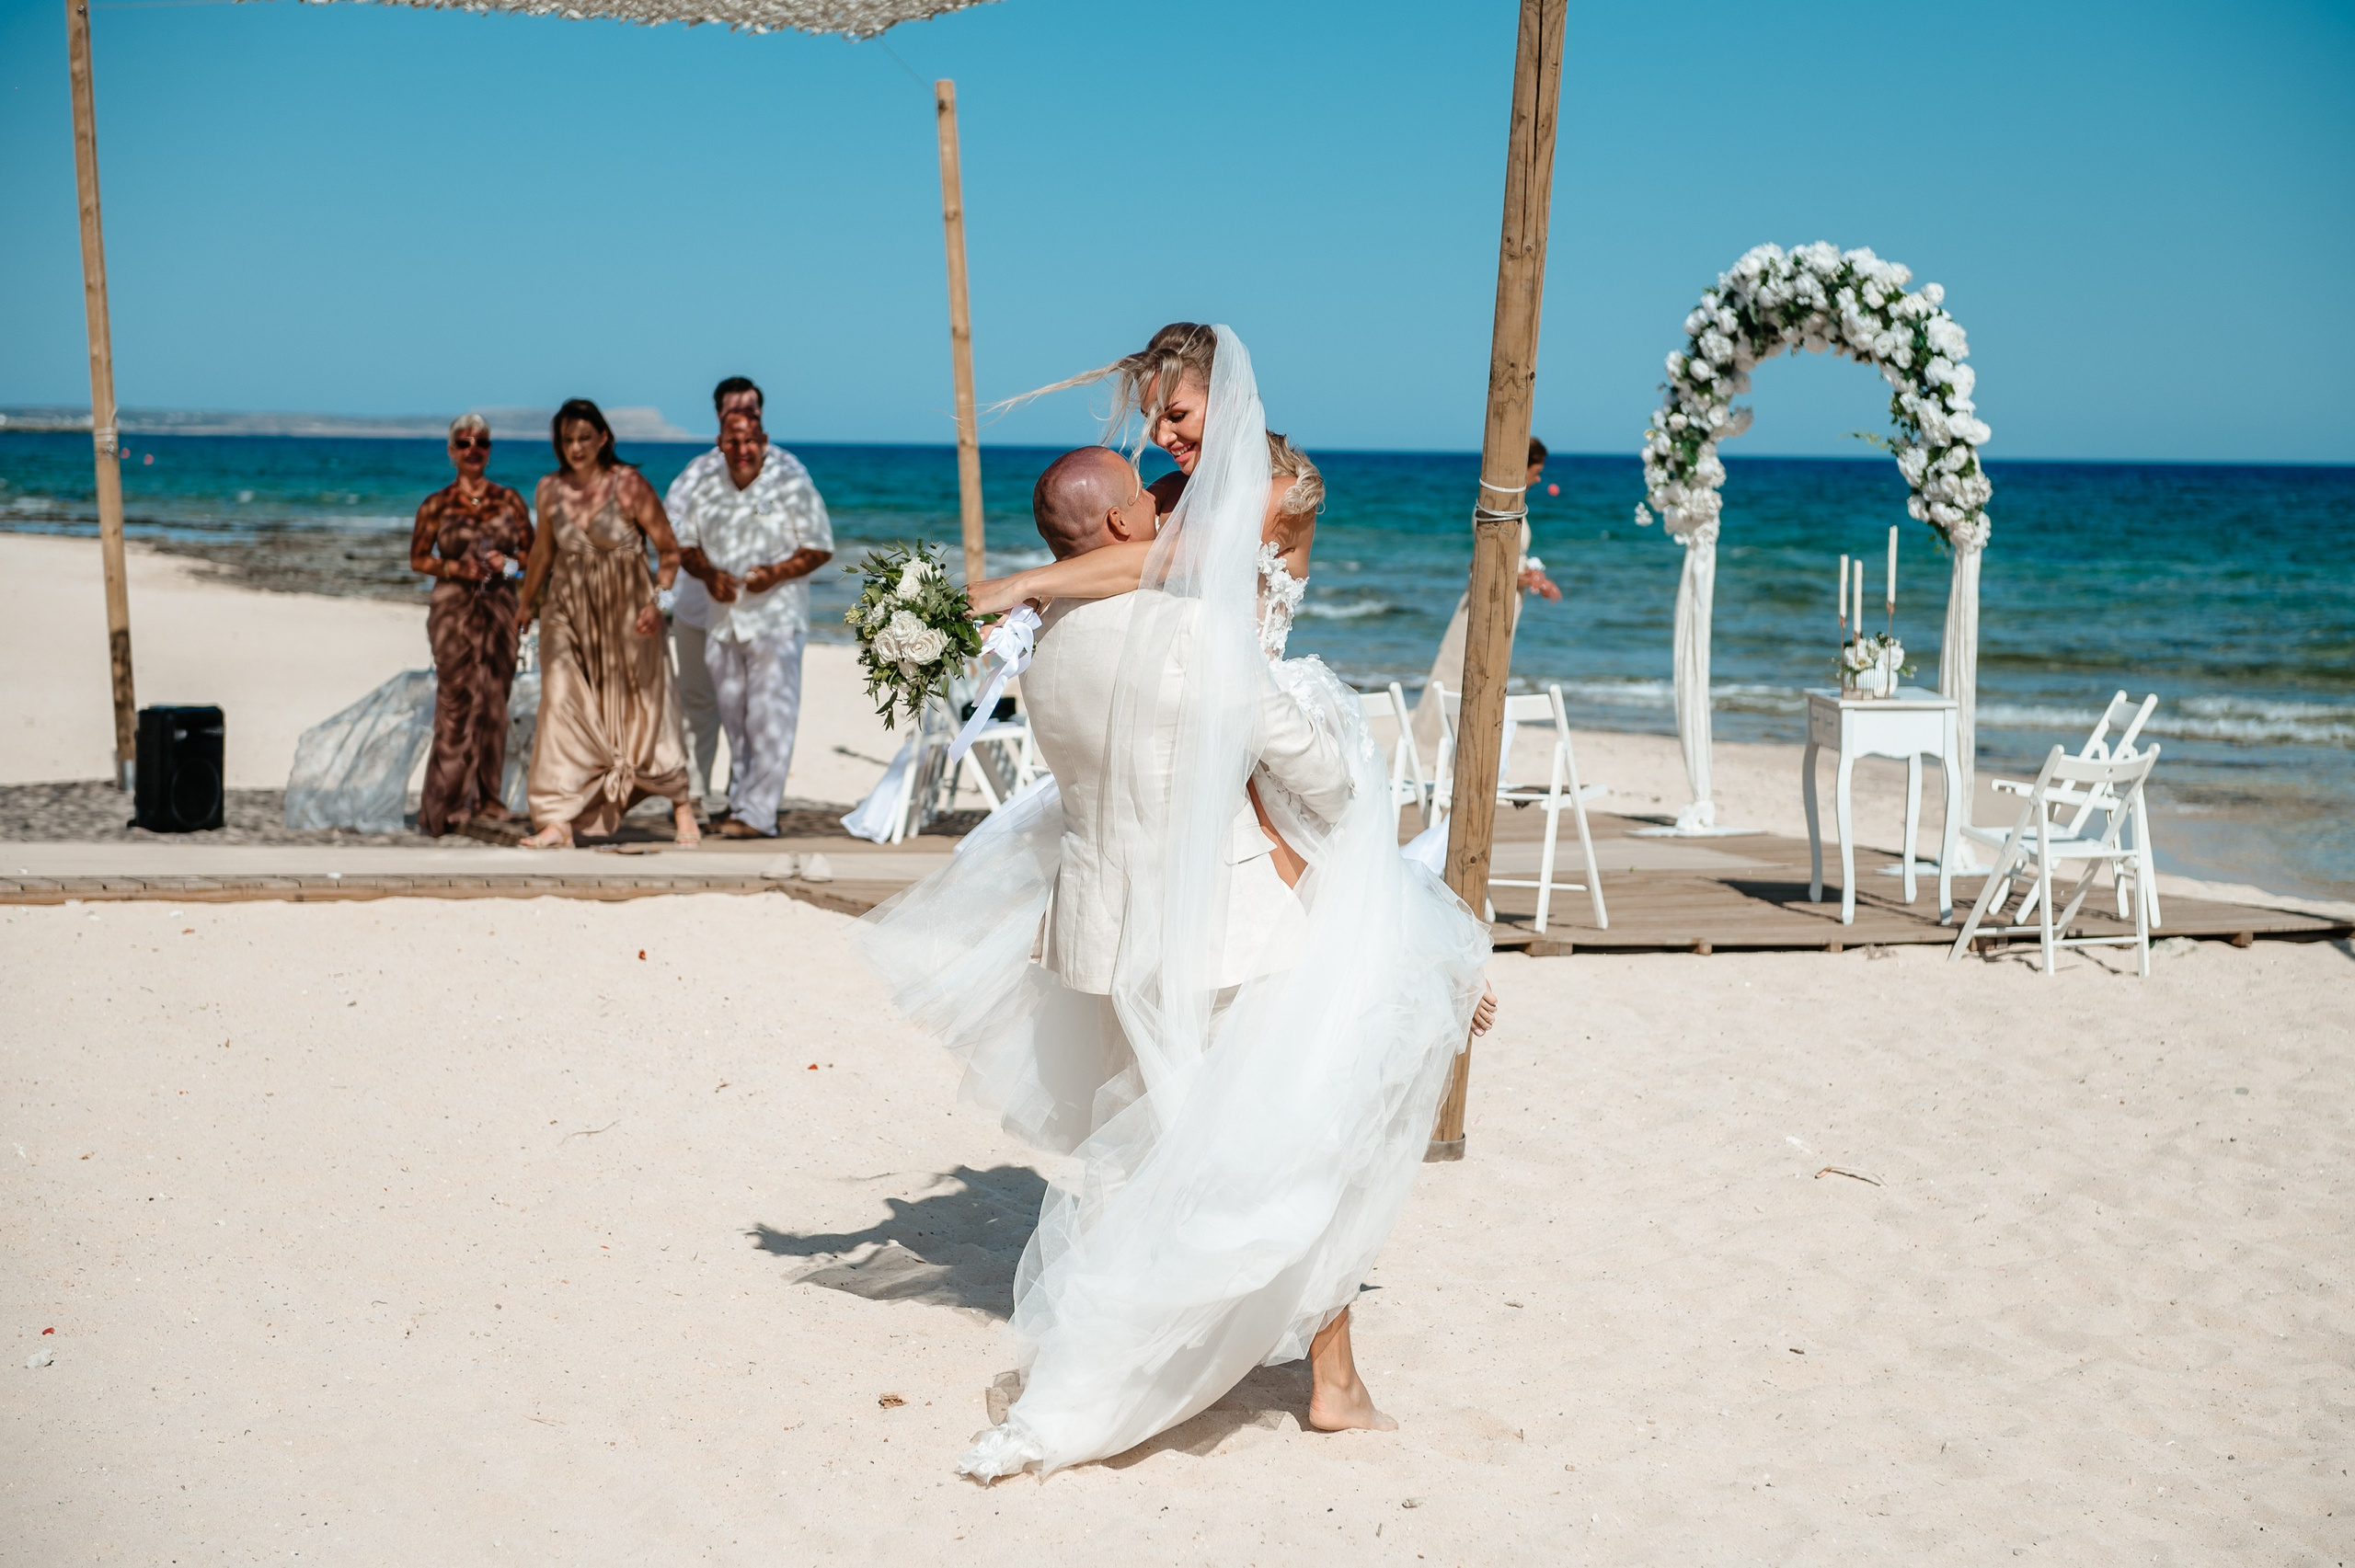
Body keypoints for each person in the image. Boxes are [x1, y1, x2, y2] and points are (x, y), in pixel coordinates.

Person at [858, 326, 1495, 1482]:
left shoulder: (1264, 494)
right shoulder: (1167, 518)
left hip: (1196, 807)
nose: (1161, 435)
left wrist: (1017, 586)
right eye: (1152, 417)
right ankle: (1283, 1367)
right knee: (1290, 1105)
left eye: (1178, 413)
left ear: (1226, 401)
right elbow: (1139, 565)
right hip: (1223, 791)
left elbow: (1144, 565)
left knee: (1252, 1101)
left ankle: (1321, 1367)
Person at [512, 399, 700, 849]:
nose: (576, 447)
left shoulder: (629, 484)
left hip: (629, 616)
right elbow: (542, 552)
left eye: (584, 438)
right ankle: (557, 818)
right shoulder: (548, 488)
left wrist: (659, 603)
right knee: (559, 702)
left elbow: (669, 550)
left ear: (604, 438)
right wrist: (525, 604)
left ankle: (681, 804)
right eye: (567, 440)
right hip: (566, 612)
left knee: (645, 708)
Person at [667, 395, 833, 838]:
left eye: (750, 440)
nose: (742, 448)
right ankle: (741, 805)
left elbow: (819, 546)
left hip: (776, 619)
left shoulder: (791, 485)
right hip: (723, 621)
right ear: (720, 443)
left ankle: (759, 815)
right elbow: (685, 546)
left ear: (764, 441)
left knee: (769, 718)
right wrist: (708, 575)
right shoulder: (707, 488)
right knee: (735, 719)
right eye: (733, 441)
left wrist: (776, 573)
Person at [407, 414, 534, 838]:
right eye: (463, 443)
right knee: (457, 702)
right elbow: (418, 558)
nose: (472, 449)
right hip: (452, 611)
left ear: (490, 450)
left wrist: (508, 564)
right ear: (451, 452)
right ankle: (445, 804)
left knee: (495, 702)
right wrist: (455, 568)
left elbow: (534, 558)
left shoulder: (509, 500)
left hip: (500, 605)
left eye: (481, 442)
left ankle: (488, 800)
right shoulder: (437, 504)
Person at [1411, 436, 1563, 755]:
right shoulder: (1493, 507)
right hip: (1486, 603)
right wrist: (1530, 579)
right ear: (1522, 467)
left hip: (1508, 602)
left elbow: (1510, 559)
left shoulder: (1514, 506)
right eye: (1537, 471)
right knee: (1458, 671)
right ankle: (1437, 752)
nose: (1540, 478)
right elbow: (1485, 566)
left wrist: (1532, 575)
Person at [662, 376, 765, 813]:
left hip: (759, 615)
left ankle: (745, 803)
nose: (742, 417)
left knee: (752, 710)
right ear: (719, 417)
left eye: (751, 411)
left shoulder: (782, 470)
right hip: (698, 609)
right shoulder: (696, 473)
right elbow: (670, 532)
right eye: (733, 411)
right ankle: (696, 799)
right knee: (698, 704)